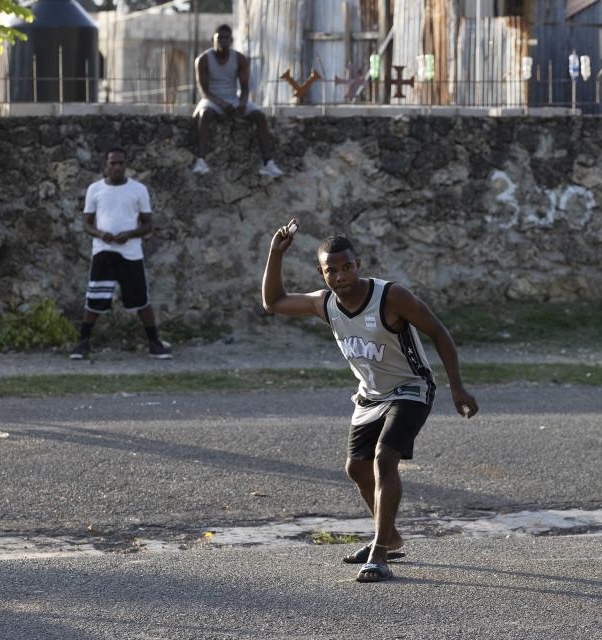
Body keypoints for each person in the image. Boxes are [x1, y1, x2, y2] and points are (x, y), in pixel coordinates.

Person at [261, 221, 478, 583]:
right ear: (322, 272)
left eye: (347, 266)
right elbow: (273, 302)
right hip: (370, 395)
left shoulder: (391, 296)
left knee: (384, 458)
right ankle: (390, 538)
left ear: (358, 264)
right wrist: (275, 253)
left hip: (411, 387)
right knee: (356, 468)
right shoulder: (325, 303)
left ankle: (379, 553)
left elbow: (439, 331)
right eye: (332, 269)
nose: (341, 275)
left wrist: (458, 387)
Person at [70, 148, 173, 360]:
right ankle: (82, 344)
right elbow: (87, 223)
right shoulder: (94, 189)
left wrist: (130, 234)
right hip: (104, 251)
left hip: (130, 253)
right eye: (113, 163)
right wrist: (100, 234)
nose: (117, 167)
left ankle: (154, 344)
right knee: (95, 298)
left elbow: (148, 224)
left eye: (121, 163)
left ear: (125, 165)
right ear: (105, 165)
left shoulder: (138, 189)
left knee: (141, 300)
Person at [190, 24, 283, 178]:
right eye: (220, 38)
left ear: (231, 40)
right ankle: (200, 161)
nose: (223, 41)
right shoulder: (203, 60)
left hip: (232, 98)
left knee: (259, 116)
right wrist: (221, 104)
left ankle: (268, 163)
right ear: (213, 39)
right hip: (212, 99)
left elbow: (245, 88)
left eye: (227, 38)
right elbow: (204, 91)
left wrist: (241, 103)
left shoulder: (239, 59)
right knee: (205, 114)